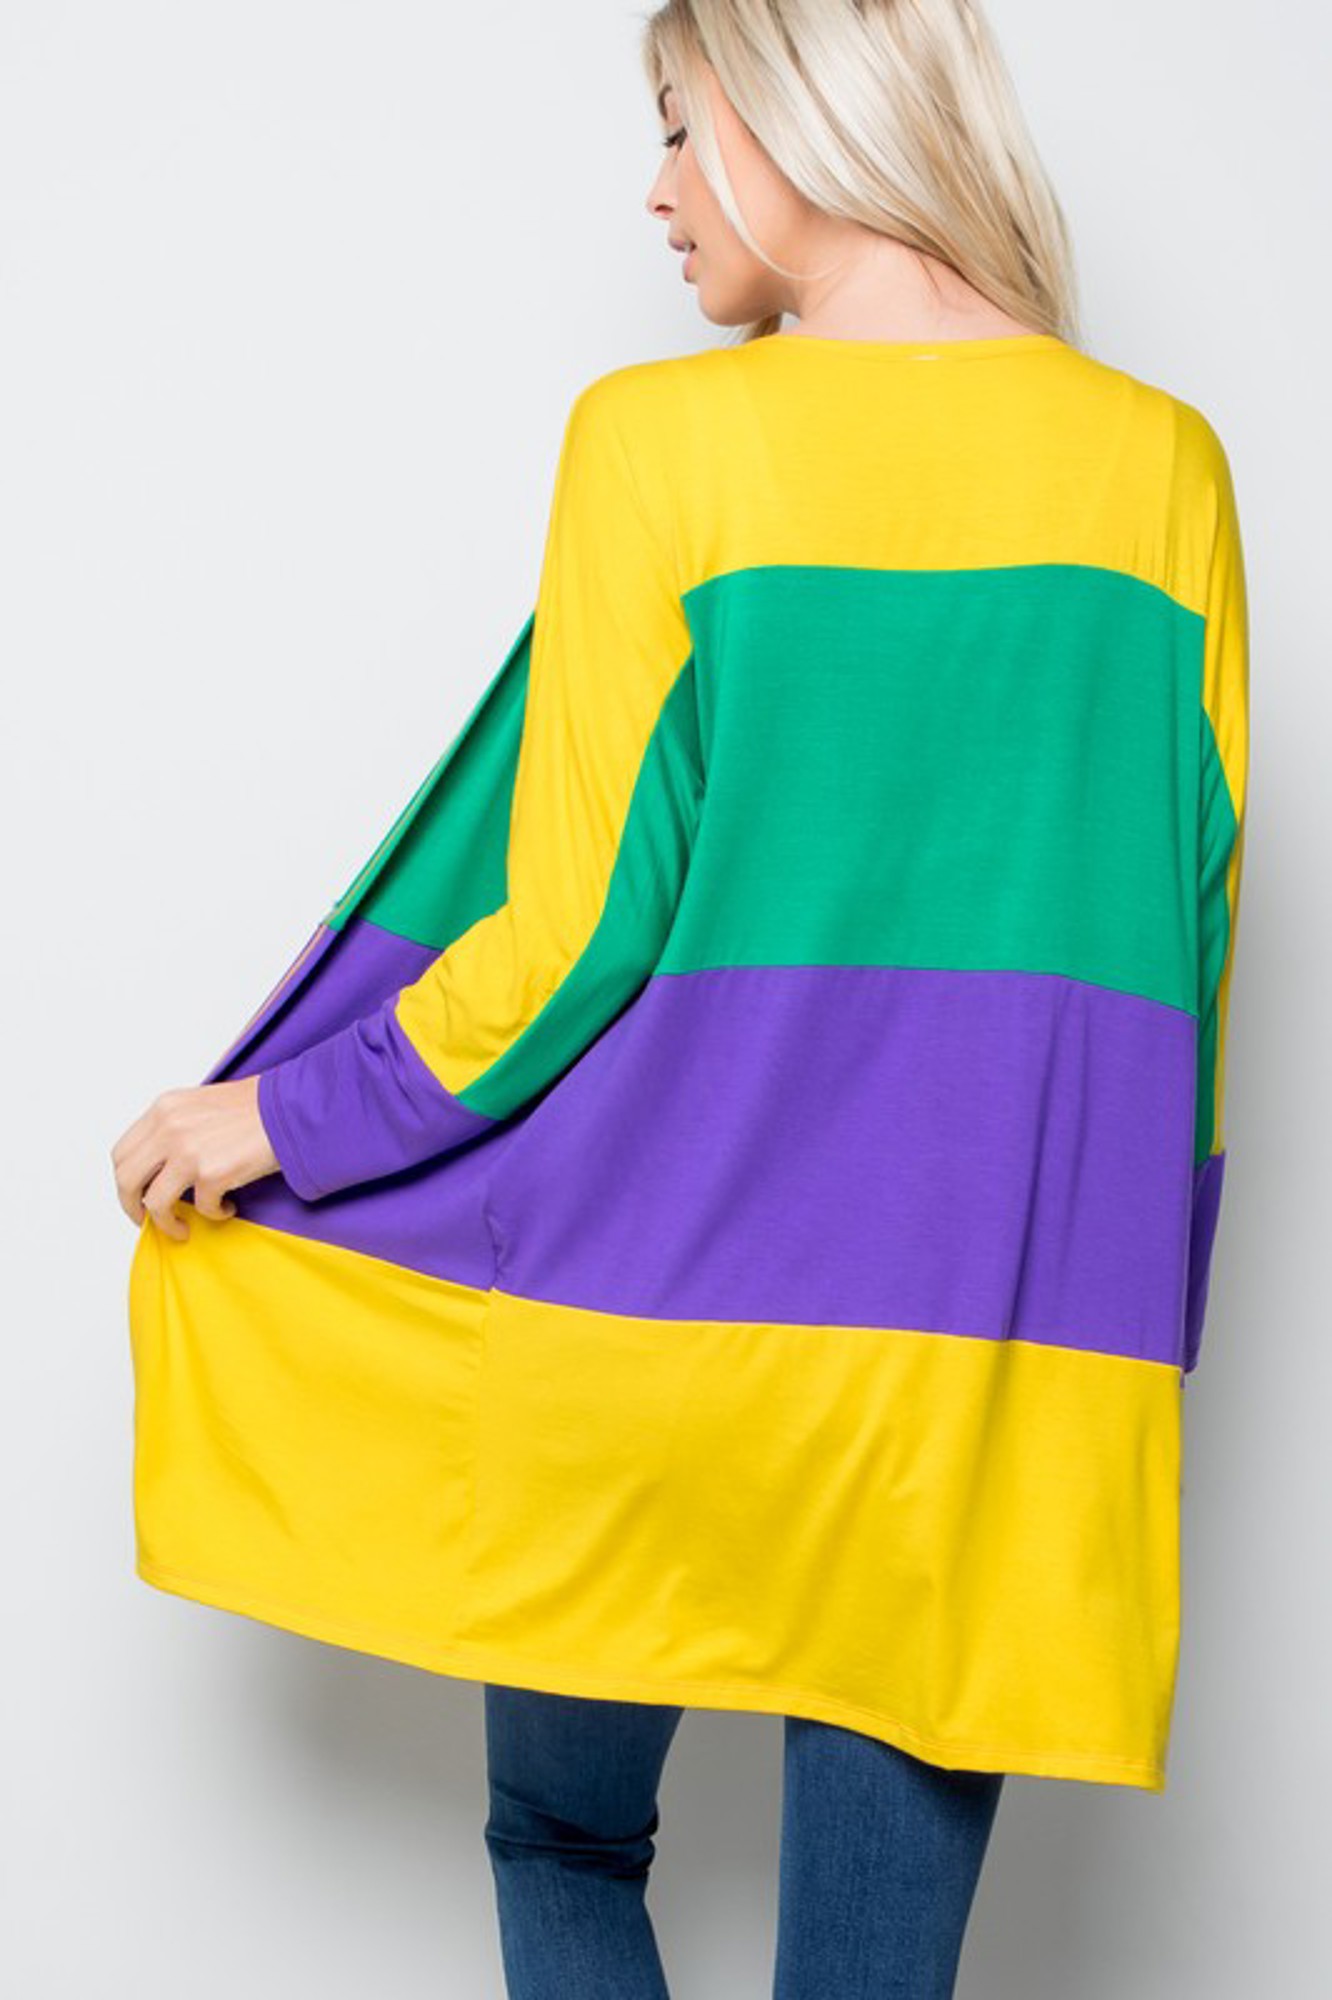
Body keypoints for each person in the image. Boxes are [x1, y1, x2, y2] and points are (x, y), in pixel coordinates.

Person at [113, 4, 1249, 1996]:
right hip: (974, 1380)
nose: (652, 190)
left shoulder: (659, 440)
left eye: (673, 123)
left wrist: (280, 1115)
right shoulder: (1163, 472)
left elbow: (568, 943)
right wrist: (1127, 1354)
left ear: (802, 114)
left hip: (640, 1347)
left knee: (563, 1835)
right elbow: (1181, 979)